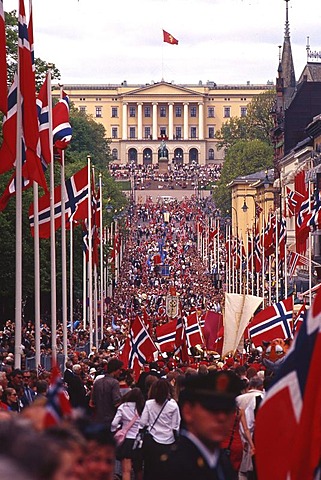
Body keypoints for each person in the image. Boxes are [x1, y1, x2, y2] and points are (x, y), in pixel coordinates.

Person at [164, 370, 243, 480]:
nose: (222, 417)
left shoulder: (220, 460)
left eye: (227, 410)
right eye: (212, 409)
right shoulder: (172, 467)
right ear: (188, 412)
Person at [139, 378, 180, 480]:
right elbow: (176, 425)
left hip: (152, 441)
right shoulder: (173, 405)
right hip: (169, 441)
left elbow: (143, 422)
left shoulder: (149, 404)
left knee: (150, 469)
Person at [111, 387, 145, 480]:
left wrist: (115, 429)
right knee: (139, 469)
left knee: (126, 470)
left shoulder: (123, 407)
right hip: (139, 441)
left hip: (127, 441)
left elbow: (114, 423)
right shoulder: (142, 407)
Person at [90, 358, 123, 429]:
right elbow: (116, 403)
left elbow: (92, 403)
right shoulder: (114, 383)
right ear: (115, 369)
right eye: (120, 370)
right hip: (110, 420)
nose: (120, 372)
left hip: (98, 420)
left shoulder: (97, 382)